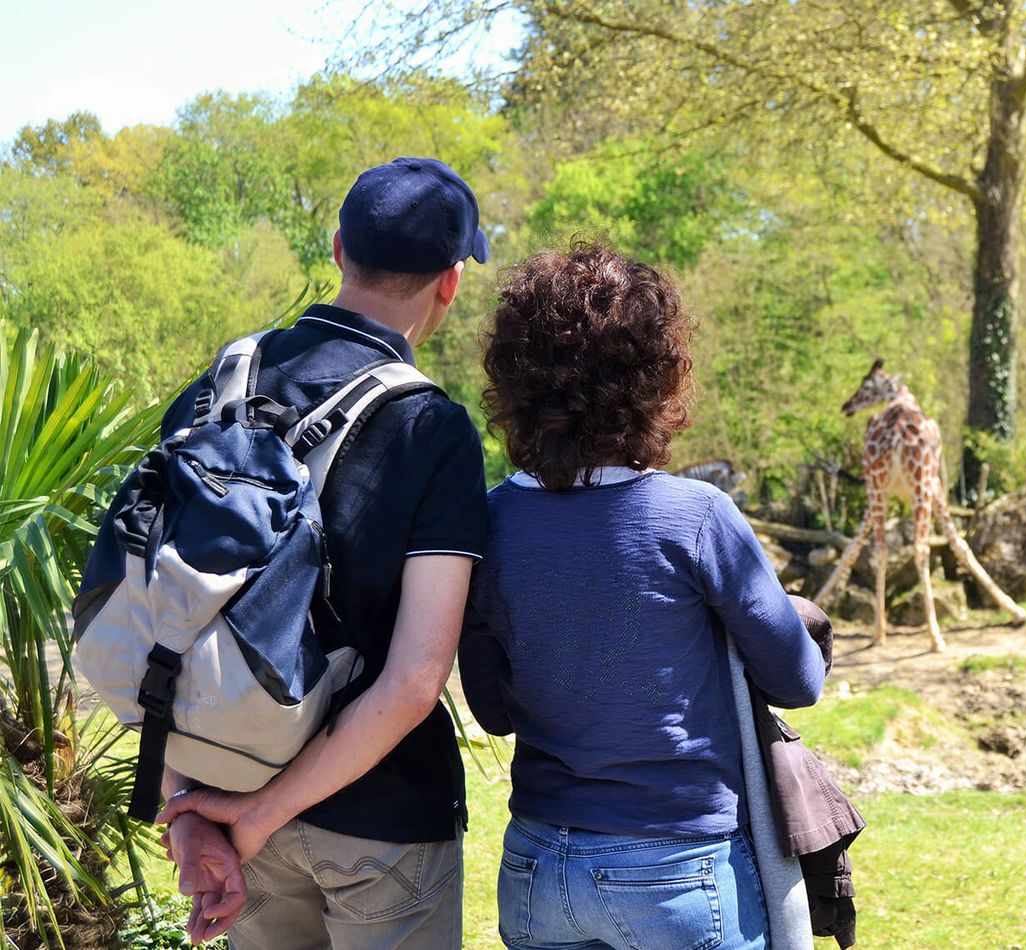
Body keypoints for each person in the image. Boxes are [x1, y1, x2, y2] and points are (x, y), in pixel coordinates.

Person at [151, 157, 492, 948]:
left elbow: (156, 614)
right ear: (451, 283)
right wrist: (258, 819)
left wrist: (194, 812)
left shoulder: (213, 391)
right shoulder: (430, 427)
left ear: (338, 249)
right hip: (381, 823)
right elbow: (411, 683)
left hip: (228, 794)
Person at [458, 242, 827, 950]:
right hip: (677, 868)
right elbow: (797, 681)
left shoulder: (487, 523)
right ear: (656, 375)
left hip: (538, 865)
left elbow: (493, 711)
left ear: (515, 382)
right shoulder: (697, 516)